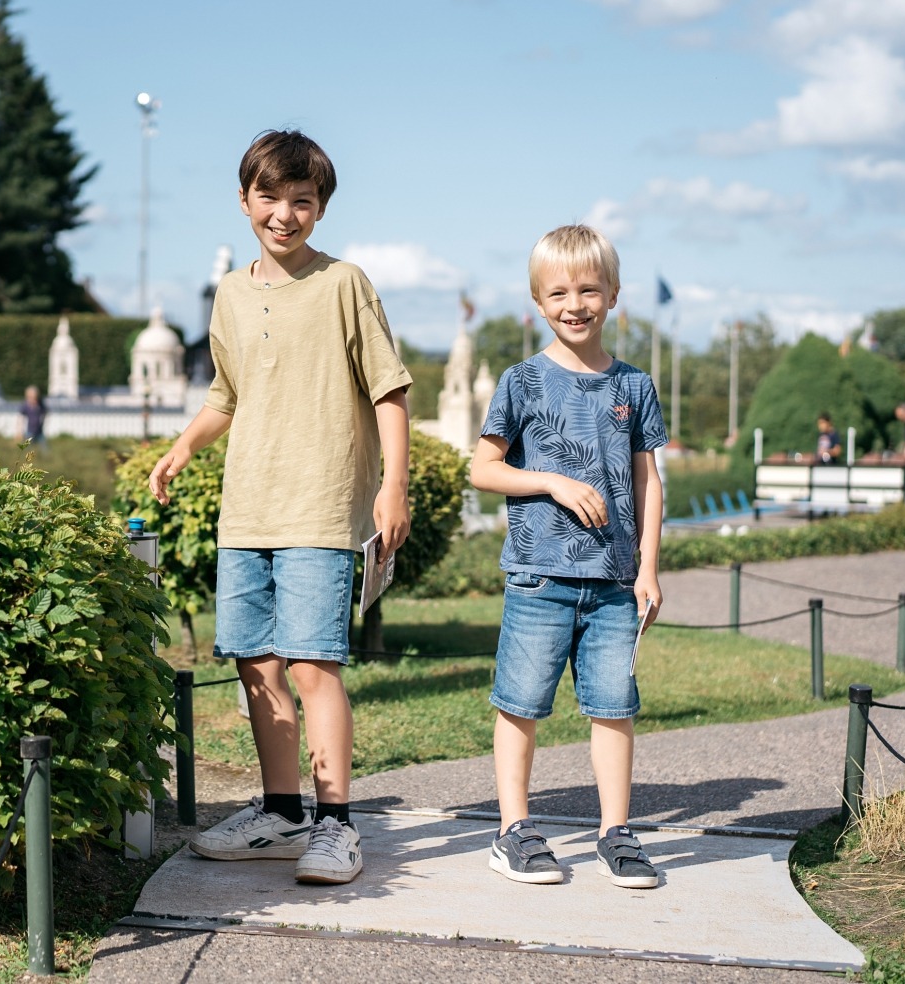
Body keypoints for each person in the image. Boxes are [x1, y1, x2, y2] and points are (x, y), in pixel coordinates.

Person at [147, 130, 412, 885]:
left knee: (313, 665)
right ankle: (282, 813)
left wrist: (395, 484)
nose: (285, 214)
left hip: (322, 509)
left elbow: (388, 388)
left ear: (321, 208)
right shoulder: (231, 293)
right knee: (257, 668)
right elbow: (226, 394)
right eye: (270, 198)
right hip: (248, 511)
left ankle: (337, 827)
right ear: (244, 201)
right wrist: (184, 446)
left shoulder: (345, 284)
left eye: (302, 201)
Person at [469, 224, 667, 890]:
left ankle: (617, 832)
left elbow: (648, 482)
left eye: (589, 289)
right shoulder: (521, 382)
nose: (575, 303)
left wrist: (647, 568)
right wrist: (551, 481)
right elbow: (484, 469)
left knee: (614, 707)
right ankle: (515, 831)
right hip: (538, 578)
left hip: (613, 584)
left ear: (613, 295)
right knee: (520, 704)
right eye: (559, 292)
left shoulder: (634, 386)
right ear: (537, 301)